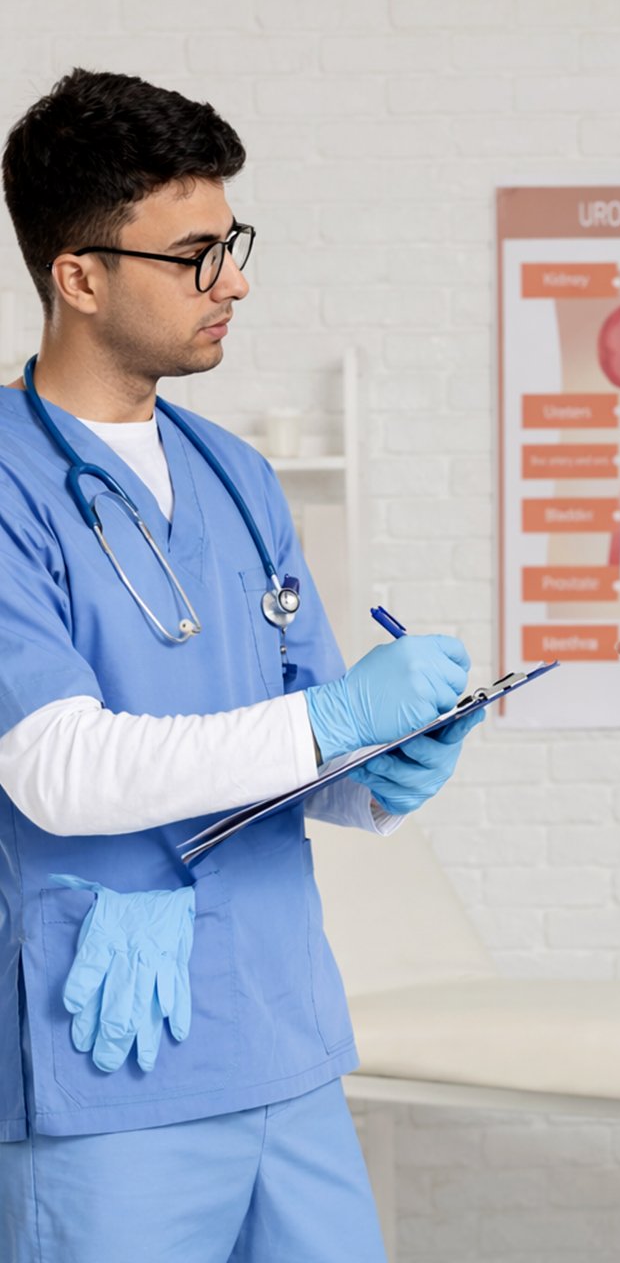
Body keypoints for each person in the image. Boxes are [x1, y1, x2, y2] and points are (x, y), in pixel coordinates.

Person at [0, 69, 481, 1262]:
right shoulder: (8, 483)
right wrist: (328, 722)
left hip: (282, 1038)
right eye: (196, 254)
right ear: (81, 274)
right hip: (107, 1058)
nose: (237, 280)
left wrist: (380, 762)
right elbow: (53, 765)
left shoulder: (235, 476)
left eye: (234, 242)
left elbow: (302, 739)